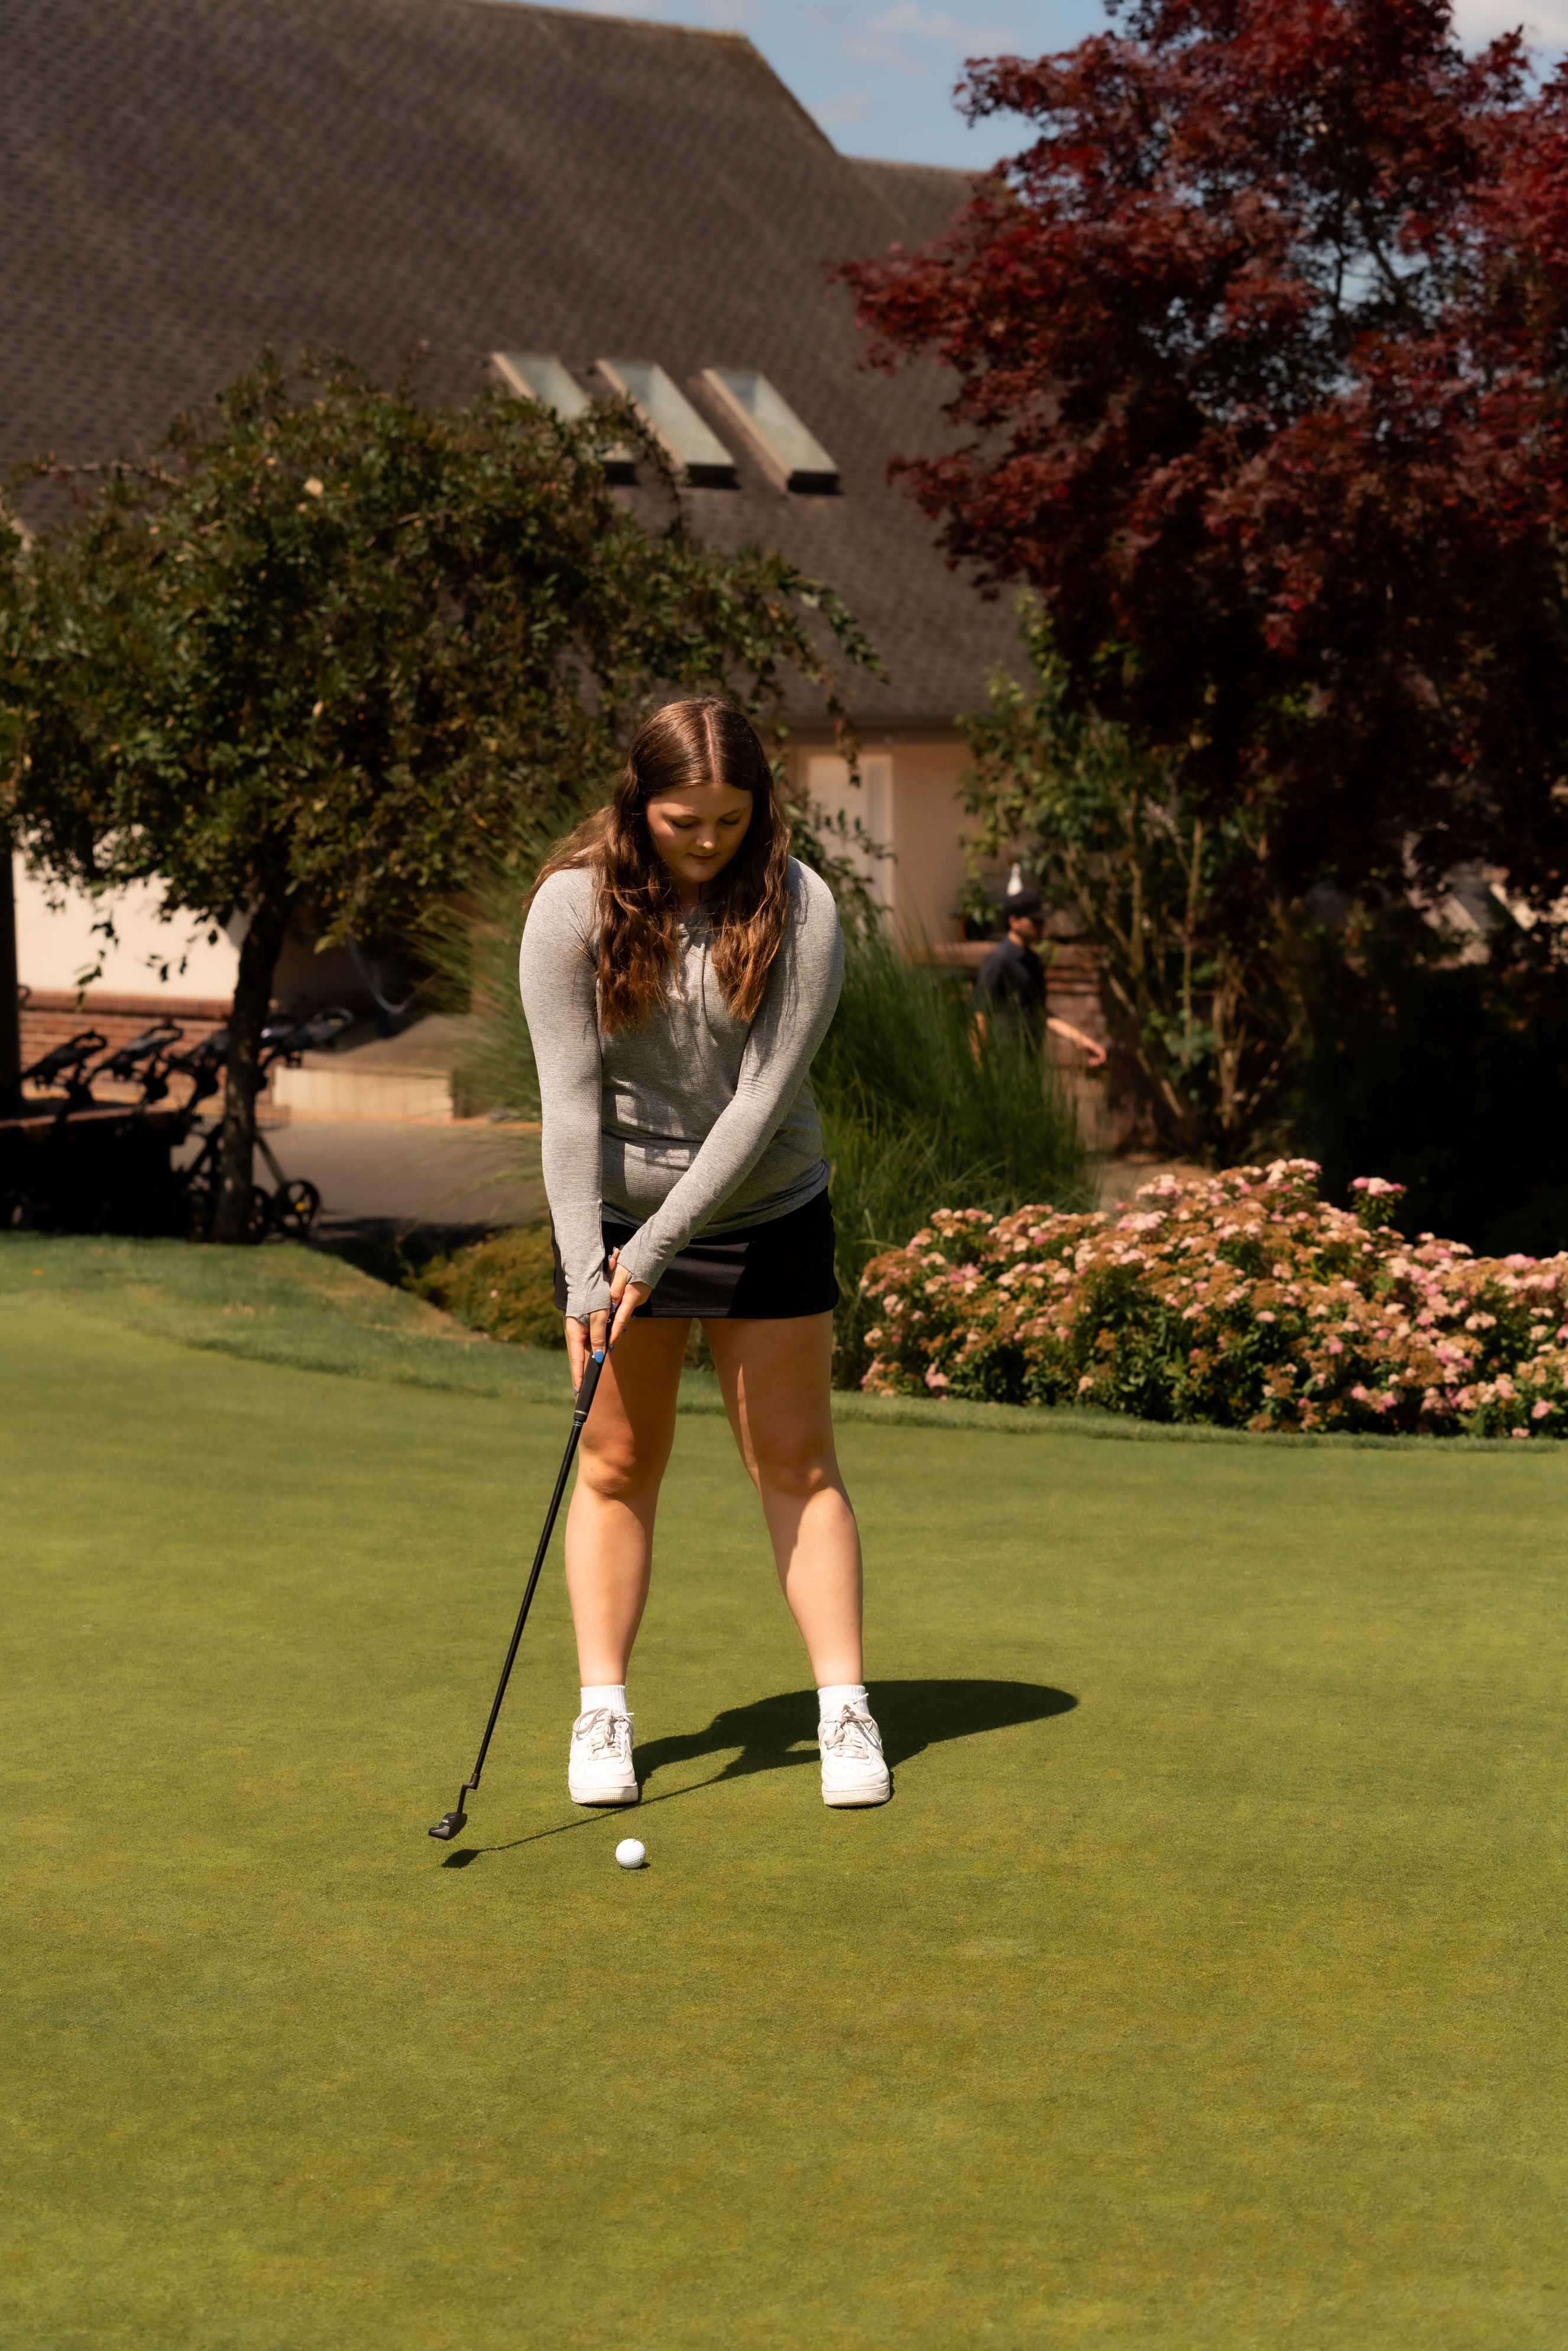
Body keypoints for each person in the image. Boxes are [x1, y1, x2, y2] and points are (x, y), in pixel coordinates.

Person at [518, 696, 891, 1813]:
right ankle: (603, 1711)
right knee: (615, 1463)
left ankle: (844, 1709)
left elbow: (760, 1102)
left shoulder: (802, 904)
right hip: (612, 1220)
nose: (709, 841)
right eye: (686, 820)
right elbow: (568, 1106)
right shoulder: (570, 906)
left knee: (796, 1460)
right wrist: (587, 1272)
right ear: (639, 803)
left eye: (732, 820)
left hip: (766, 1208)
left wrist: (653, 1252)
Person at [972, 888, 1106, 1067]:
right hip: (1003, 1061)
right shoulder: (999, 960)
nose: (1041, 926)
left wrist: (1079, 1039)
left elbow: (1040, 1013)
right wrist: (978, 1065)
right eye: (1035, 921)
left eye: (1042, 921)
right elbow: (980, 1014)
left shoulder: (1031, 960)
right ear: (1014, 922)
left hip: (1029, 1059)